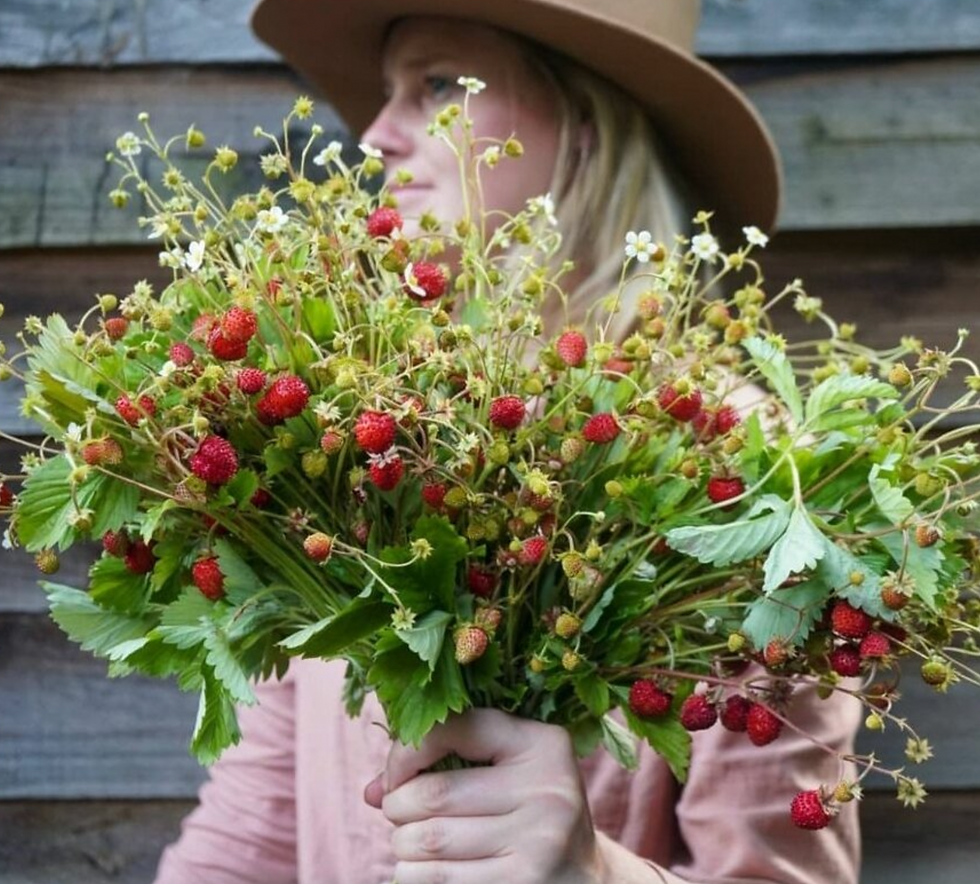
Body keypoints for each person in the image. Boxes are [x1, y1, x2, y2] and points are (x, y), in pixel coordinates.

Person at [155, 1, 861, 882]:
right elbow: (251, 834)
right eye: (386, 93)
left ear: (586, 128)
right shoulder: (347, 438)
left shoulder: (744, 474)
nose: (374, 136)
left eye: (439, 83)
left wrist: (595, 873)